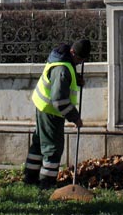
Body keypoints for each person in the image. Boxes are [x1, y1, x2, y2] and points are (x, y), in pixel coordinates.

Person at [24, 39, 91, 189]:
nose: (79, 63)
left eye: (82, 60)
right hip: (51, 111)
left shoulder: (62, 58)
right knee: (53, 147)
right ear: (73, 52)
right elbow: (59, 100)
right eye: (79, 59)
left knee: (39, 142)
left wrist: (76, 79)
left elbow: (62, 82)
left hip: (43, 106)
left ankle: (30, 176)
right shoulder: (63, 68)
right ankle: (47, 182)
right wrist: (76, 118)